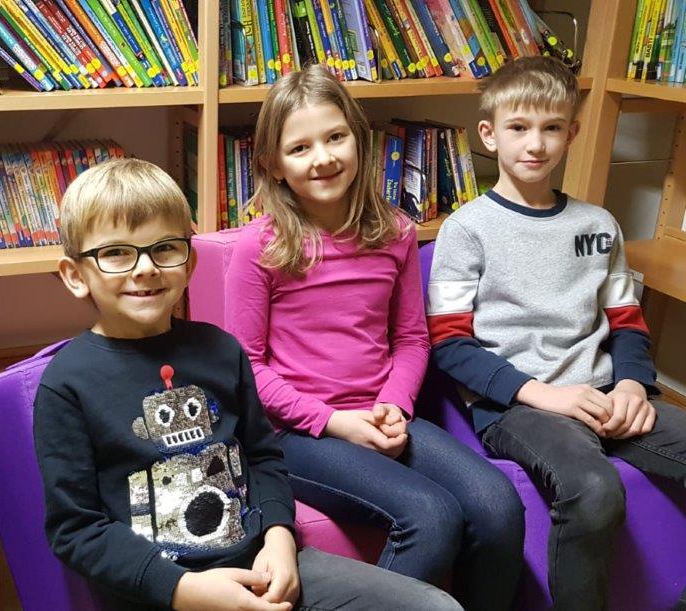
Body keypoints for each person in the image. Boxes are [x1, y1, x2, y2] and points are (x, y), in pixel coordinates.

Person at [34, 157, 461, 610]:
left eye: (165, 248)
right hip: (164, 593)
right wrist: (182, 590)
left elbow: (262, 457)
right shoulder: (67, 384)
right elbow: (77, 529)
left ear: (189, 262)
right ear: (75, 275)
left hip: (265, 565)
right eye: (116, 253)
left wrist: (279, 538)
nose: (145, 268)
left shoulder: (221, 351)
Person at [224, 64, 525, 610]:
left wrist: (393, 405)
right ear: (272, 164)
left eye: (335, 137)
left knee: (497, 504)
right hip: (297, 433)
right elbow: (246, 368)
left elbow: (410, 339)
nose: (323, 158)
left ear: (359, 140)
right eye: (300, 148)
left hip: (383, 414)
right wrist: (335, 422)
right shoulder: (258, 247)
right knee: (430, 516)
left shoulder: (396, 231)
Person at [428, 55, 686, 610]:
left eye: (551, 128)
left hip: (605, 393)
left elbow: (626, 322)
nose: (535, 144)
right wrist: (544, 395)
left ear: (571, 134)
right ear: (490, 134)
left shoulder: (599, 225)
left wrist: (633, 384)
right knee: (593, 489)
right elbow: (450, 343)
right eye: (519, 127)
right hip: (520, 406)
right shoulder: (466, 229)